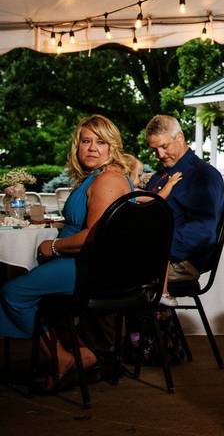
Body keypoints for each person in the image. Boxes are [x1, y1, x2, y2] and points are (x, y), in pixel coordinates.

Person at [0, 115, 132, 389]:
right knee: (15, 287)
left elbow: (96, 237)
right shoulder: (95, 177)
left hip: (90, 266)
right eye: (86, 141)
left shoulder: (107, 179)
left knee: (12, 293)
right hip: (81, 262)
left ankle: (63, 357)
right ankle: (77, 354)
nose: (92, 147)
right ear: (77, 146)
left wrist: (55, 245)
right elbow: (84, 221)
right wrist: (56, 225)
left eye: (101, 142)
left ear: (112, 147)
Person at [143, 115, 224, 303]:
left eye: (164, 147)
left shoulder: (203, 175)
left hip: (182, 259)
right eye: (154, 149)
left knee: (113, 274)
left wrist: (153, 248)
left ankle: (139, 331)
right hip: (155, 253)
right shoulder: (160, 177)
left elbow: (203, 231)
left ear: (180, 138)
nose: (160, 155)